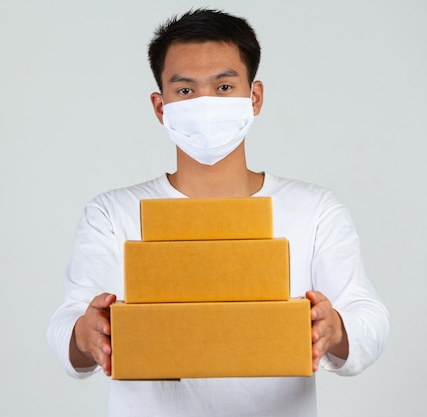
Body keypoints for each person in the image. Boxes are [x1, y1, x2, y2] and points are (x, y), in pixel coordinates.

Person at [47, 8, 389, 417]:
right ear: (161, 107)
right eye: (186, 91)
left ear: (254, 97)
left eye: (224, 86)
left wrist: (334, 329)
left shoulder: (314, 210)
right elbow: (69, 325)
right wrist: (85, 335)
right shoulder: (112, 214)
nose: (206, 104)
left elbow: (369, 320)